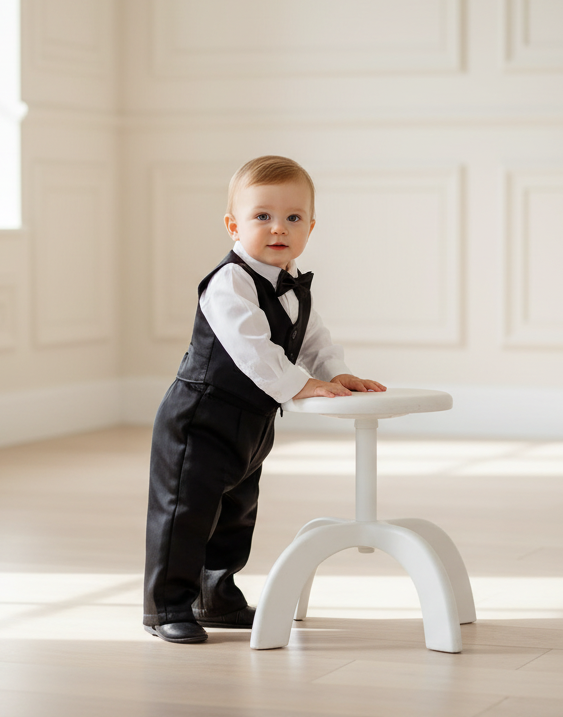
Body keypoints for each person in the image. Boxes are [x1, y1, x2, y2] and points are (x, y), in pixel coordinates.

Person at [143, 155, 385, 644]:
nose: (279, 228)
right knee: (186, 513)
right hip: (201, 417)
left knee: (235, 513)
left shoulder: (294, 286)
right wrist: (300, 384)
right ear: (234, 225)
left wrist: (336, 372)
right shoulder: (229, 282)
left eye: (293, 218)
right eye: (262, 217)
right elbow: (252, 347)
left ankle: (216, 593)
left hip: (251, 423)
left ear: (311, 227)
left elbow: (312, 338)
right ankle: (167, 604)